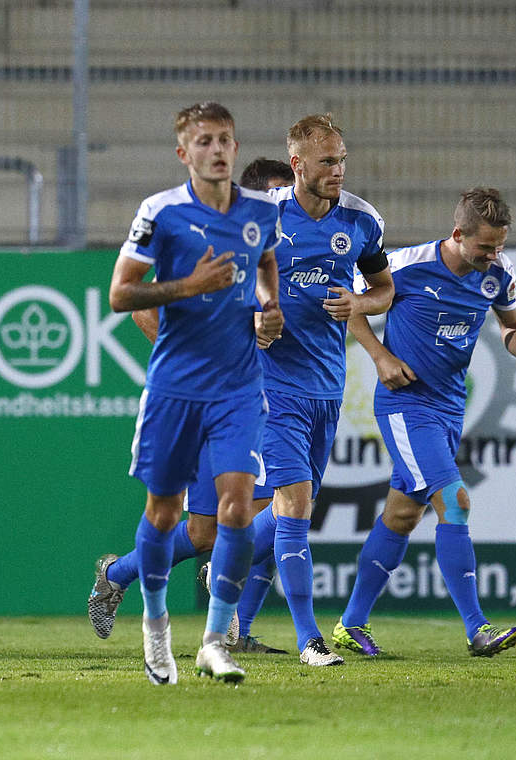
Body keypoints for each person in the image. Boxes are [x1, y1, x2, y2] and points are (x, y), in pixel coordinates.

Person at [208, 114, 395, 667]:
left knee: (293, 509)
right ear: (297, 165)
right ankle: (309, 638)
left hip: (326, 389)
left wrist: (360, 304)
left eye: (341, 159)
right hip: (270, 387)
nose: (338, 171)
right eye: (327, 162)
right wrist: (254, 321)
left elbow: (383, 287)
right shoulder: (259, 219)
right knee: (295, 506)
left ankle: (227, 557)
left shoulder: (362, 220)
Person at [88, 155, 292, 655]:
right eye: (278, 199)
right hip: (209, 398)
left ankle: (231, 627)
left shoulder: (285, 248)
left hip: (263, 401)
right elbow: (136, 305)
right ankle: (118, 574)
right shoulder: (205, 236)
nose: (285, 209)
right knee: (207, 530)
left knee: (276, 506)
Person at [334, 188, 516, 658]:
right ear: (458, 234)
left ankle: (350, 624)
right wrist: (380, 357)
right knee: (455, 501)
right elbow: (352, 308)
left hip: (449, 409)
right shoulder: (407, 265)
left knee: (402, 516)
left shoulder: (498, 275)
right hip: (406, 405)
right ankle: (476, 628)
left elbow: (513, 324)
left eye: (499, 247)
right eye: (485, 247)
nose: (493, 256)